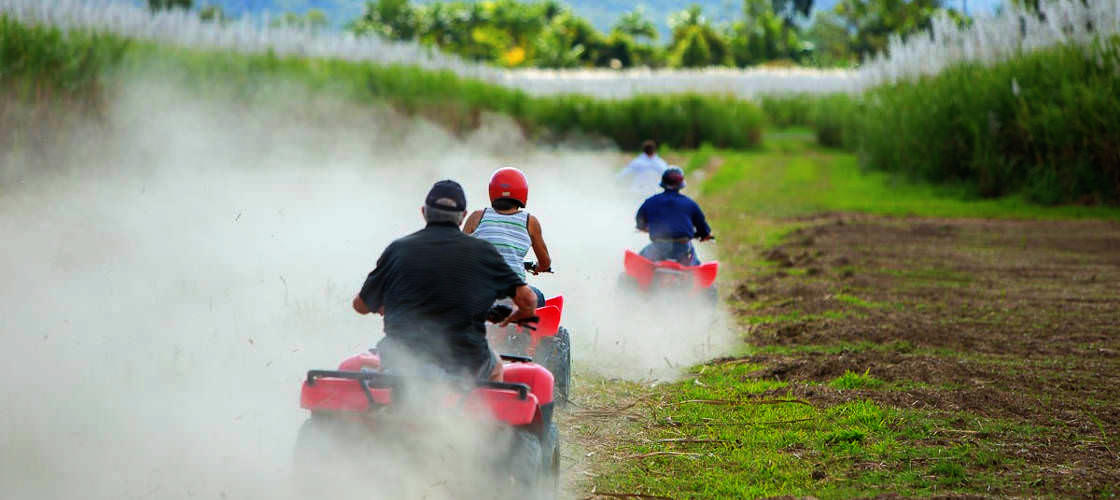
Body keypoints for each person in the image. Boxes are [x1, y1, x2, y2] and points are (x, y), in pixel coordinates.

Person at [352, 180, 538, 382]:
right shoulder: (483, 252)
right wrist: (516, 316)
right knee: (496, 368)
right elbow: (528, 300)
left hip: (401, 355)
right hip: (465, 358)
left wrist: (385, 305)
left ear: (424, 212)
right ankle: (484, 414)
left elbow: (360, 305)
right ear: (463, 217)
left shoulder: (397, 250)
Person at [463, 167, 552, 307]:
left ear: (492, 192)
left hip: (479, 293)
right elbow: (545, 262)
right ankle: (531, 328)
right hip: (514, 296)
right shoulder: (530, 222)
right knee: (538, 297)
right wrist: (539, 267)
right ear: (523, 193)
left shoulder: (477, 217)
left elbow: (458, 252)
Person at [635, 167, 713, 266]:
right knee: (696, 268)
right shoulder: (690, 203)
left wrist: (643, 227)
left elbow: (639, 221)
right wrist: (705, 234)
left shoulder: (650, 201)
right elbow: (702, 226)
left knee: (637, 263)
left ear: (663, 183)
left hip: (658, 247)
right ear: (681, 185)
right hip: (683, 249)